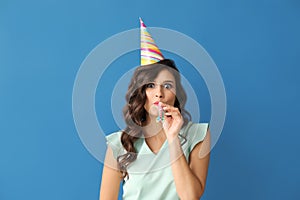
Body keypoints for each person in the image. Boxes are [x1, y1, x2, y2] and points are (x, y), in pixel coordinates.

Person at [99, 19, 210, 200]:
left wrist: (173, 138)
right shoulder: (120, 143)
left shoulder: (198, 134)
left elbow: (191, 196)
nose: (159, 93)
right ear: (141, 92)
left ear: (177, 94)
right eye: (151, 85)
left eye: (167, 86)